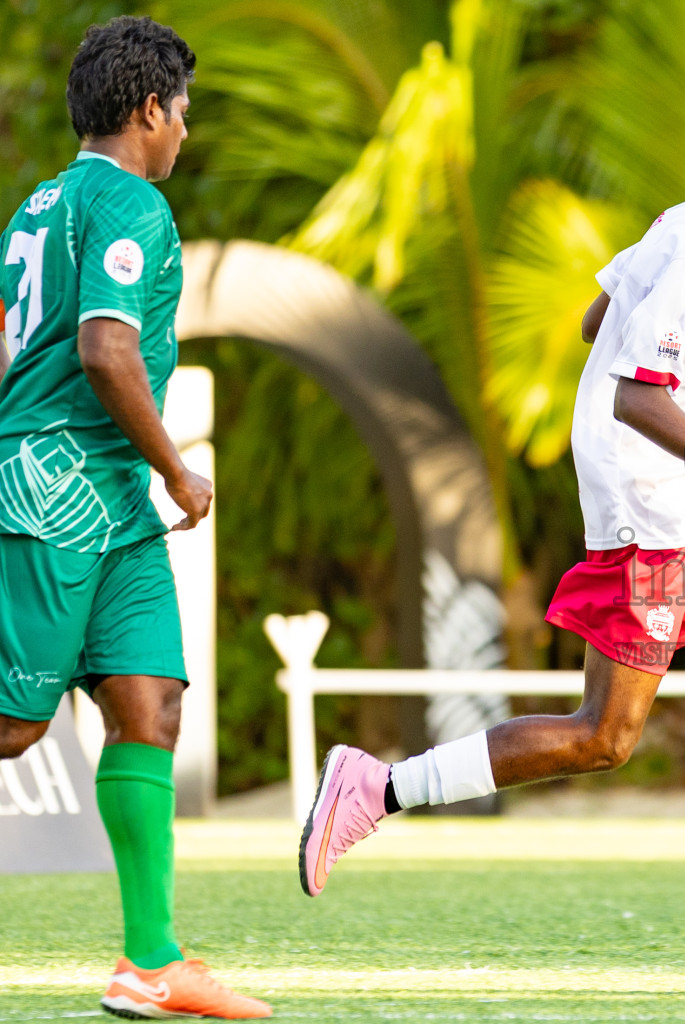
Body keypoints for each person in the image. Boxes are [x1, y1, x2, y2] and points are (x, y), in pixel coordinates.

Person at [297, 81, 685, 993]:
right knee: (605, 737)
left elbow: (599, 320)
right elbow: (632, 390)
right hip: (655, 520)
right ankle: (376, 788)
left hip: (683, 514)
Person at [0, 18, 270, 1019]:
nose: (186, 134)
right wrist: (180, 472)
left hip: (106, 504)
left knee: (150, 700)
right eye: (184, 114)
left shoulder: (33, 210)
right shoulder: (132, 205)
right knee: (17, 727)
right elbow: (107, 347)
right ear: (150, 108)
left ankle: (151, 961)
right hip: (61, 492)